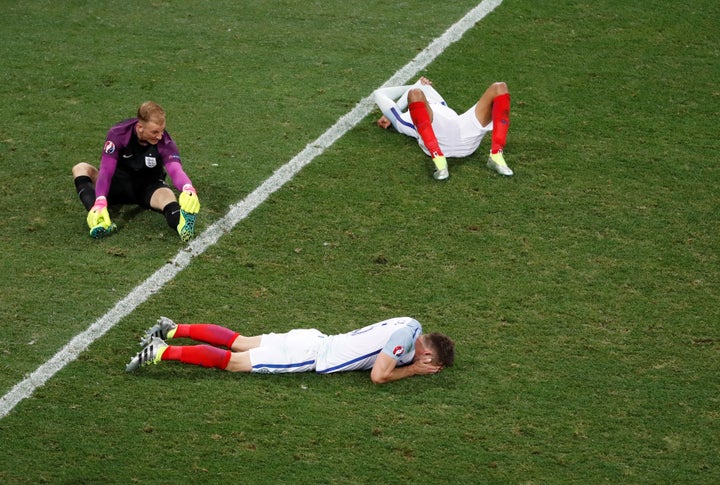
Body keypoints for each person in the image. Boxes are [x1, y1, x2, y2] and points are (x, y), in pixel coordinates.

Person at [126, 316, 455, 384]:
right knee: (234, 362)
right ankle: (161, 350)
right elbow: (378, 375)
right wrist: (411, 369)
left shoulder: (412, 324)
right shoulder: (406, 345)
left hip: (312, 337)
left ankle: (172, 328)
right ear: (427, 356)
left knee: (240, 340)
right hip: (310, 355)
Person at [71, 101, 201, 241]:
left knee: (168, 196)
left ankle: (181, 225)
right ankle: (98, 218)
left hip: (148, 188)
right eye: (155, 132)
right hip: (117, 185)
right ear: (140, 127)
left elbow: (175, 170)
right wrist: (100, 200)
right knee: (80, 168)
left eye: (162, 130)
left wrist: (188, 187)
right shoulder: (118, 134)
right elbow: (106, 171)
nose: (159, 136)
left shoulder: (165, 142)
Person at [373, 77, 513, 180]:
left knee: (500, 87)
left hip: (461, 130)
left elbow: (419, 90)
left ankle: (496, 156)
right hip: (437, 140)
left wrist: (416, 86)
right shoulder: (403, 119)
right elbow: (379, 94)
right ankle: (438, 160)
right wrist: (414, 88)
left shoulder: (428, 99)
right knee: (415, 93)